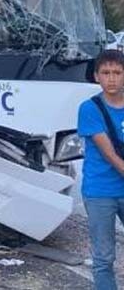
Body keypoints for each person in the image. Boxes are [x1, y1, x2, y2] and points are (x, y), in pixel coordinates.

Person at [80, 49, 124, 290]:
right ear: (97, 76)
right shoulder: (90, 108)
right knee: (104, 258)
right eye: (106, 73)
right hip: (100, 191)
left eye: (117, 73)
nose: (112, 78)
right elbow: (109, 154)